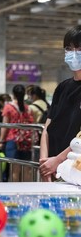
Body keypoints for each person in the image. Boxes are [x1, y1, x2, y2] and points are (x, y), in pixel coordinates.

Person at [39, 25, 81, 181]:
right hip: (52, 168)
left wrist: (57, 161)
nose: (74, 53)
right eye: (69, 48)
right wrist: (45, 164)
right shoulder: (62, 87)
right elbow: (47, 129)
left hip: (75, 168)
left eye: (79, 48)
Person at [0, 85, 34, 181]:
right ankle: (27, 193)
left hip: (13, 141)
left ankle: (16, 193)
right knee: (27, 169)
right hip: (26, 142)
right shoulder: (28, 108)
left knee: (14, 170)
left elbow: (5, 126)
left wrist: (1, 141)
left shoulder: (8, 107)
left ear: (13, 94)